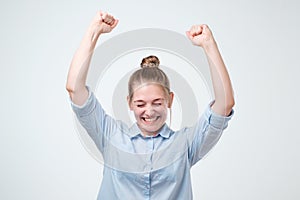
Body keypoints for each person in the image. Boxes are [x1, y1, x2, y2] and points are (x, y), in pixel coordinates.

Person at [66, 11, 234, 200]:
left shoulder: (185, 143)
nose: (149, 111)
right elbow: (74, 88)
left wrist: (209, 45)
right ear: (129, 103)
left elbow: (225, 103)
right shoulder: (111, 135)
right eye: (140, 104)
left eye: (157, 102)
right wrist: (93, 32)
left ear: (170, 100)